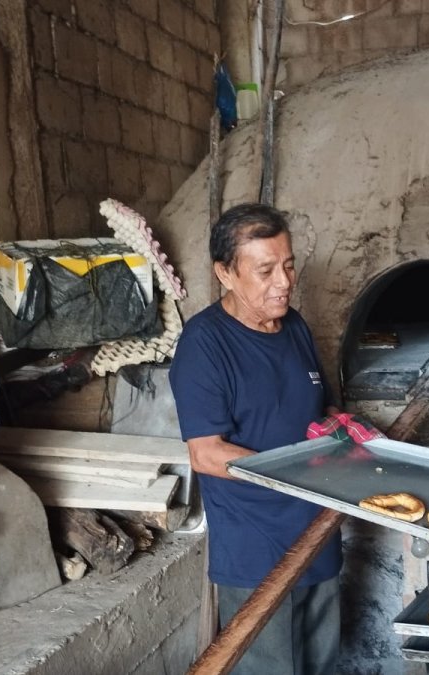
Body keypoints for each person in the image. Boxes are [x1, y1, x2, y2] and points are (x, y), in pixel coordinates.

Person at [169, 203, 341, 675]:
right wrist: (299, 474)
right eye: (265, 271)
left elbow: (319, 409)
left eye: (288, 265)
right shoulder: (204, 345)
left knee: (324, 663)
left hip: (320, 532)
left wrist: (343, 431)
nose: (284, 282)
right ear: (225, 273)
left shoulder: (295, 326)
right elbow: (206, 454)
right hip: (258, 550)